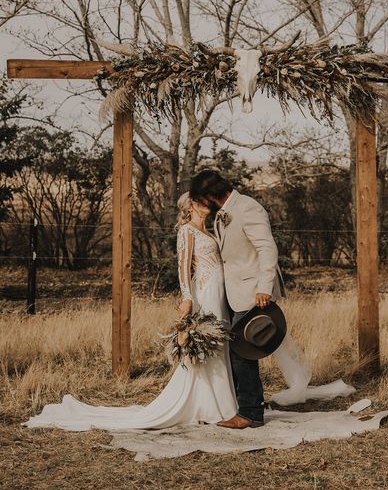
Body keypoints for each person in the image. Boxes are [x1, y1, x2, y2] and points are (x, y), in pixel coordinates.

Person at [22, 193, 238, 431]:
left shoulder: (209, 230)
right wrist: (187, 297)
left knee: (220, 344)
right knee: (207, 345)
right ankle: (205, 405)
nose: (207, 204)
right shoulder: (186, 230)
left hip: (219, 294)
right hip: (204, 292)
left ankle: (224, 403)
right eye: (201, 201)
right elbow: (182, 267)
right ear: (191, 206)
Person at [189, 169, 285, 429]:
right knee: (242, 352)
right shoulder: (225, 213)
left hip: (252, 291)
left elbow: (267, 248)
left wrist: (264, 286)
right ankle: (249, 407)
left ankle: (250, 413)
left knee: (242, 353)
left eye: (201, 198)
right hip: (233, 292)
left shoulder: (247, 208)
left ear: (210, 195)